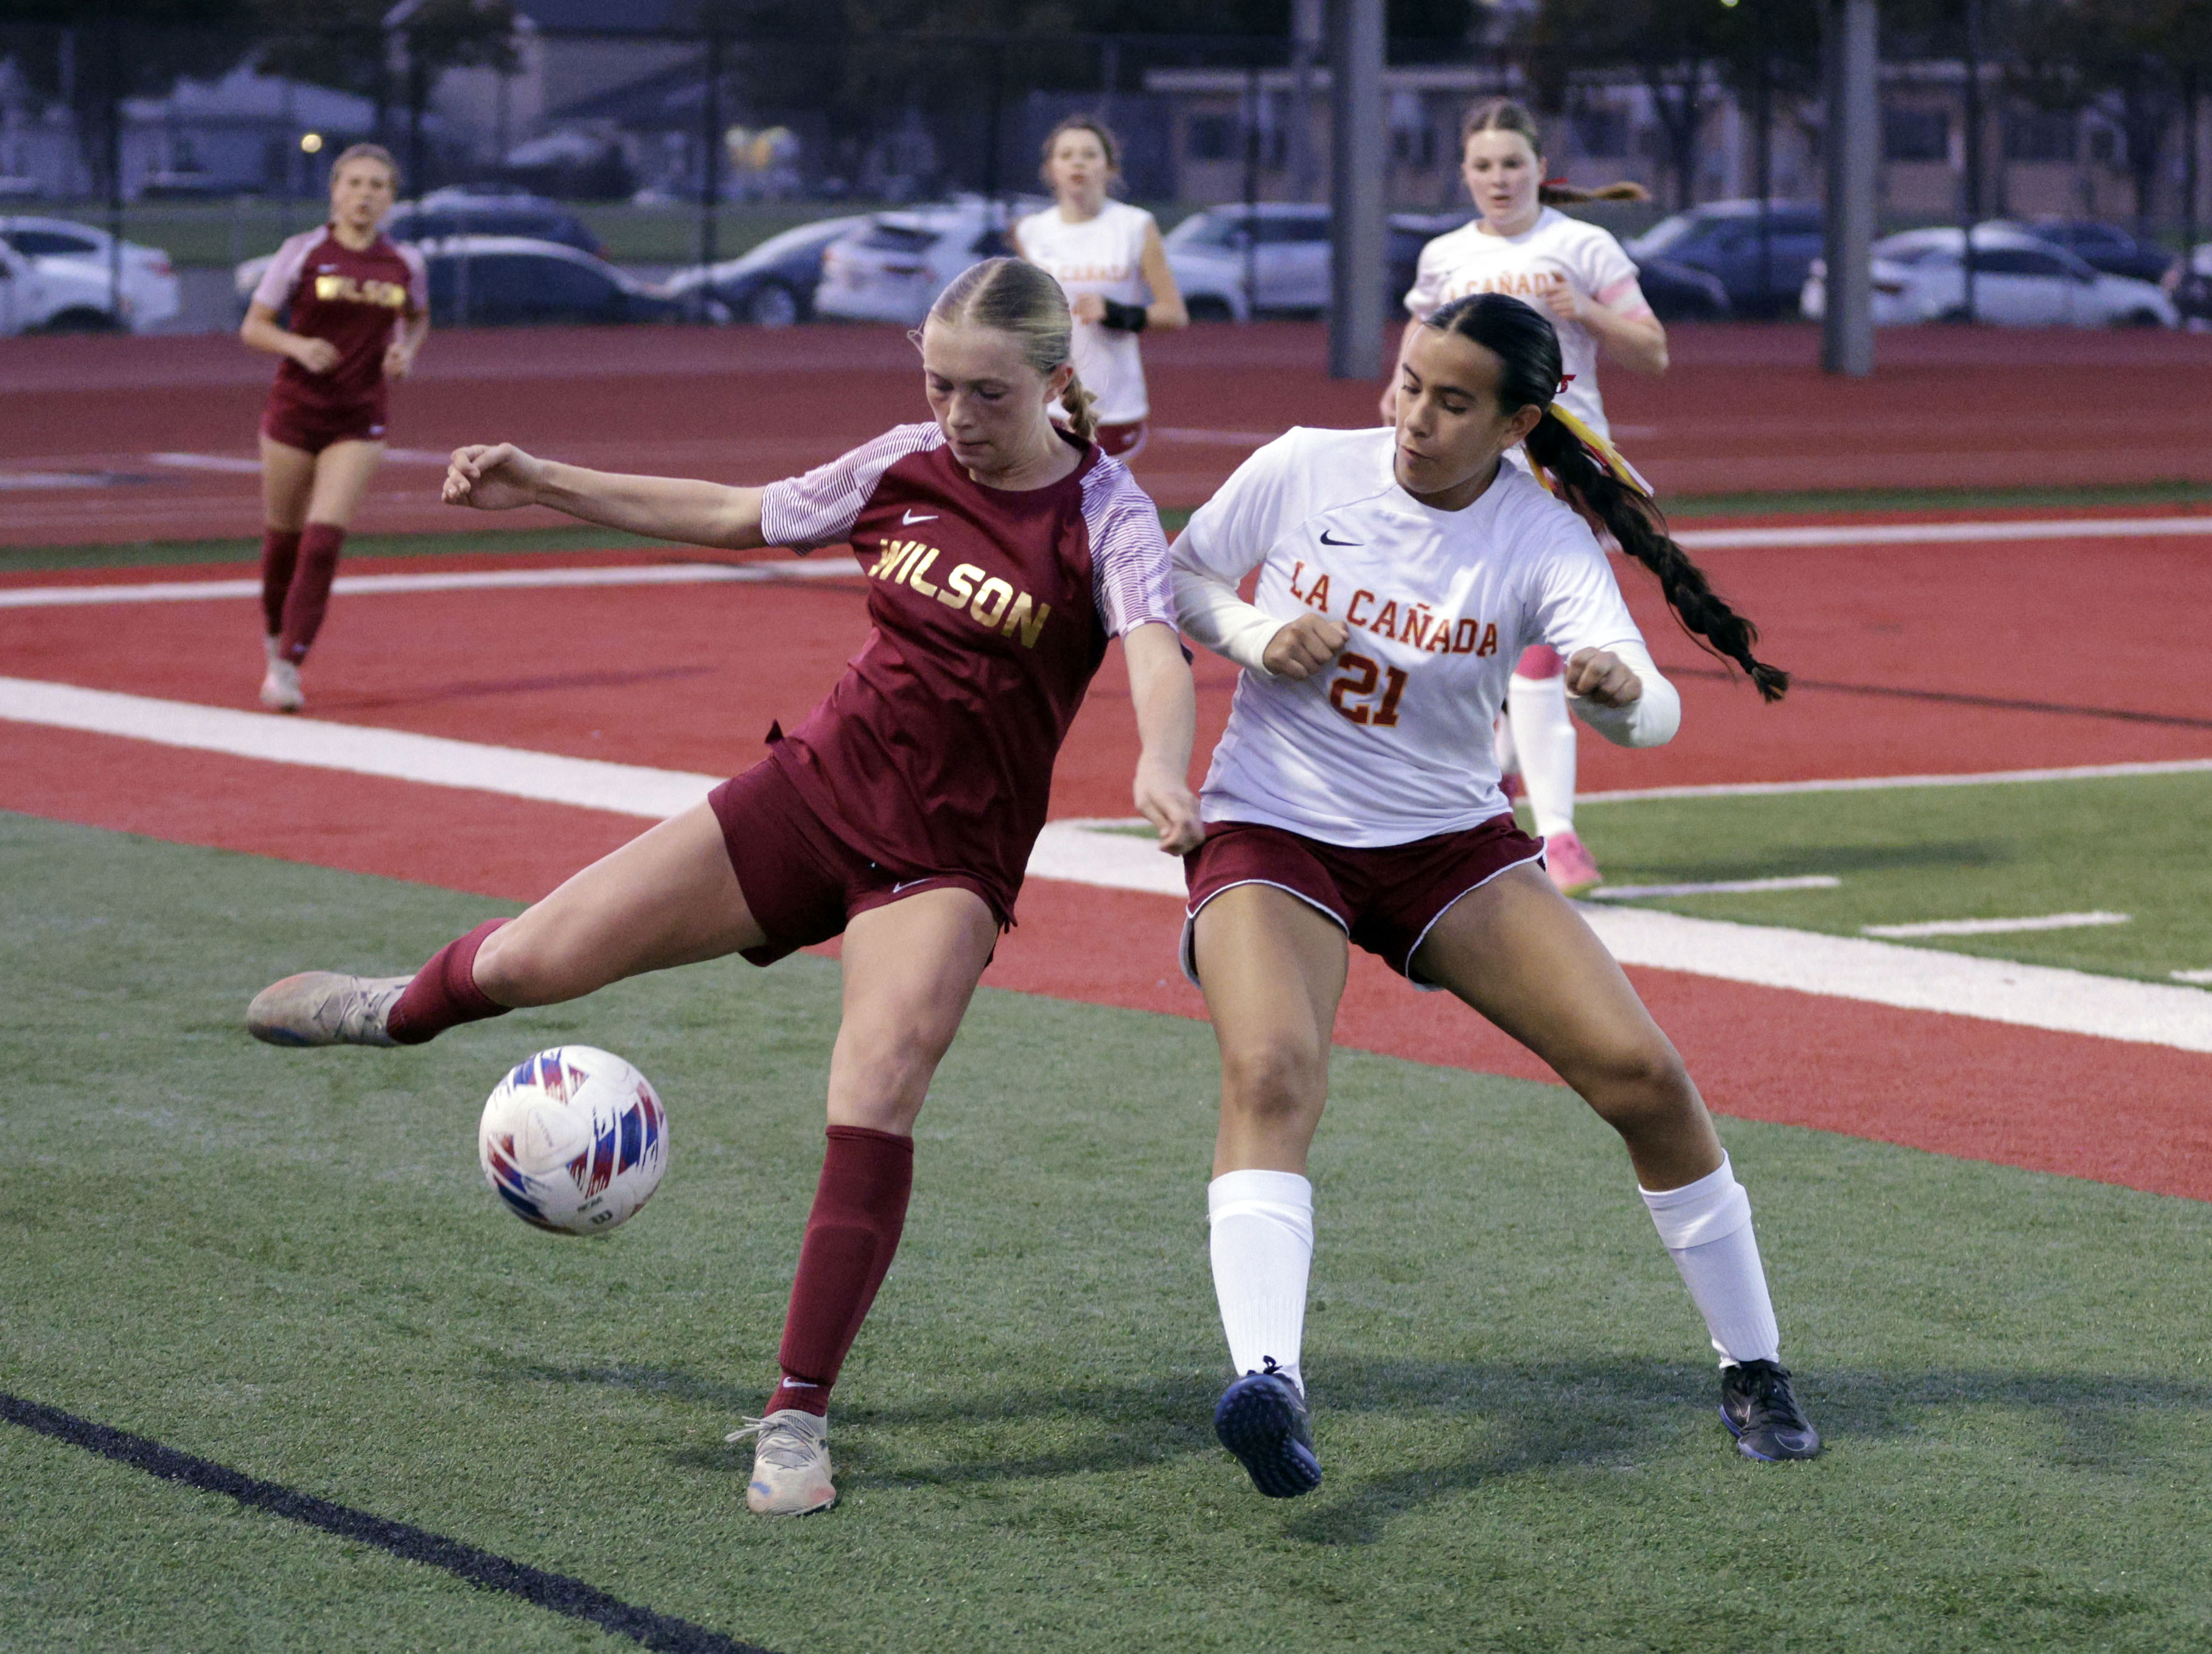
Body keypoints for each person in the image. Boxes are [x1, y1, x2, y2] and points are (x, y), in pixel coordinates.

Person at [243, 257, 1204, 1517]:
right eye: (937, 385)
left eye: (986, 393)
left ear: (1053, 381)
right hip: (808, 794)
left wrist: (1159, 763)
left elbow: (1152, 650)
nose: (958, 416)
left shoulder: (1105, 513)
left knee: (874, 1085)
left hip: (942, 862)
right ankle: (396, 1010)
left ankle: (796, 1416)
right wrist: (542, 484)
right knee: (537, 959)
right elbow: (732, 513)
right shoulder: (901, 464)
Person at [1172, 291, 1814, 1499]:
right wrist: (1257, 636)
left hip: (1442, 844)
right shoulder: (1305, 467)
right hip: (1272, 824)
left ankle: (1753, 1364)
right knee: (1270, 1070)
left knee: (1642, 1075)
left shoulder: (1540, 539)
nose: (1412, 415)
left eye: (1450, 401)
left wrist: (1612, 689)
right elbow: (1184, 576)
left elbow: (1655, 714)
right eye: (1405, 382)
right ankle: (1269, 1382)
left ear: (1518, 421)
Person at [1382, 99, 1666, 896]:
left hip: (1564, 469)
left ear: (1540, 169)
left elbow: (1654, 351)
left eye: (1512, 163)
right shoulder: (1443, 255)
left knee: (1539, 649)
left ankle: (1560, 838)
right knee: (1480, 645)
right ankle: (1495, 770)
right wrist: (1398, 408)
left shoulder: (1581, 244)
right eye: (1482, 165)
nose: (1497, 178)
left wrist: (1591, 313)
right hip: (1467, 472)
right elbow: (1415, 355)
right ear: (1464, 174)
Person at [239, 142, 428, 714]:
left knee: (323, 542)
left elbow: (417, 318)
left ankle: (288, 667)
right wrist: (298, 344)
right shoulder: (303, 252)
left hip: (360, 417)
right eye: (354, 183)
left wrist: (405, 352)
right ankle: (276, 636)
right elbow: (256, 326)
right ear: (334, 190)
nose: (364, 195)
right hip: (295, 412)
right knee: (284, 541)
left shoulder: (405, 263)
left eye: (377, 186)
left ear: (392, 199)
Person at [1013, 115, 1187, 459]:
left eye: (1089, 155)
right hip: (1050, 403)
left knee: (1102, 505)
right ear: (1050, 169)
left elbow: (1174, 313)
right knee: (1050, 506)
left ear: (1110, 168)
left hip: (1115, 403)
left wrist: (1118, 313)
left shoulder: (1134, 226)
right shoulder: (1031, 232)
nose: (1078, 162)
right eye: (1066, 155)